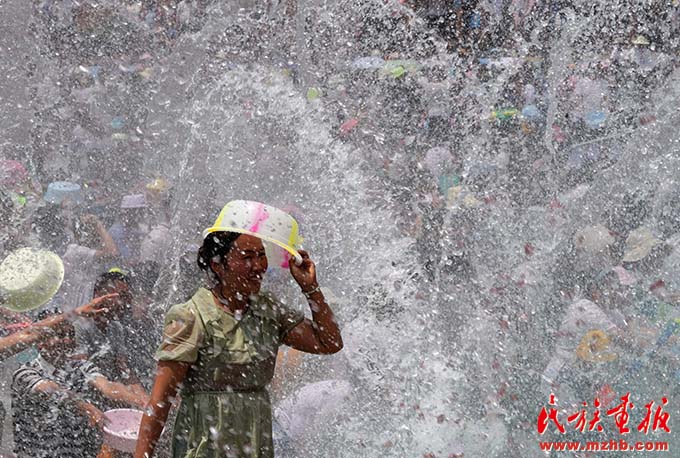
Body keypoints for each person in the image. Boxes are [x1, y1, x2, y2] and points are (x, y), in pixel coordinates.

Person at [135, 227, 343, 458]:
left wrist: (310, 288)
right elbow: (160, 401)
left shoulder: (268, 310)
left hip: (254, 442)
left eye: (261, 255)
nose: (258, 266)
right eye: (247, 257)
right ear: (218, 265)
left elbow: (329, 342)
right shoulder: (192, 316)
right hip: (205, 444)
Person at [11, 309, 149, 458]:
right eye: (61, 335)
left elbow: (109, 387)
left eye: (71, 334)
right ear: (40, 342)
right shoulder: (25, 373)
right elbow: (50, 389)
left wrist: (142, 402)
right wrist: (85, 406)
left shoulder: (80, 367)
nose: (68, 340)